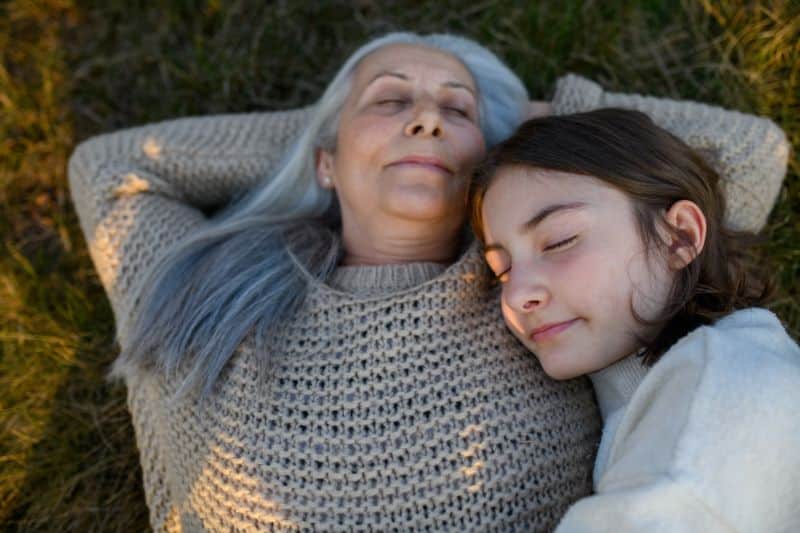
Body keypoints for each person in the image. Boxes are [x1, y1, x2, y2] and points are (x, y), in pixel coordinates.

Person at [68, 29, 784, 530]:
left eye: (457, 109)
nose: (425, 121)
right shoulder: (217, 295)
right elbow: (111, 169)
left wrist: (530, 133)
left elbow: (750, 158)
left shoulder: (534, 295)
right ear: (325, 160)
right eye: (390, 100)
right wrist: (328, 129)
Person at [470, 108, 797, 531]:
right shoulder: (659, 392)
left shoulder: (729, 379)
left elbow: (754, 143)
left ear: (677, 237)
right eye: (502, 270)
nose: (517, 294)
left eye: (559, 241)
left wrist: (503, 111)